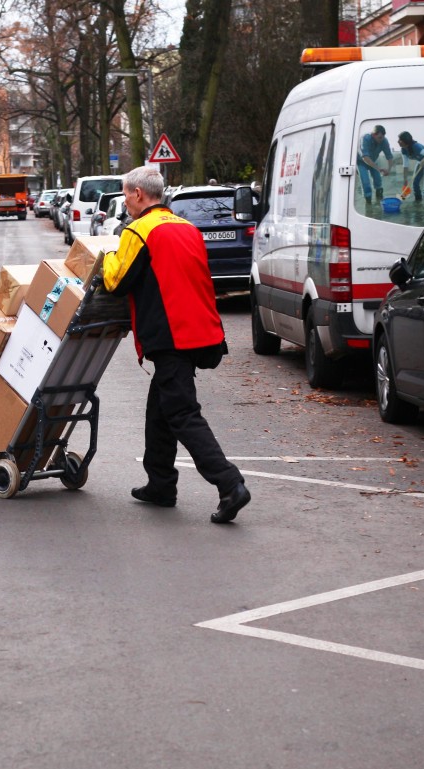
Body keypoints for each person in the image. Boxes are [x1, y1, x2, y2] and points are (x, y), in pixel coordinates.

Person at [101, 166, 251, 524]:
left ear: (139, 194)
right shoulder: (186, 227)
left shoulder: (139, 231)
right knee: (160, 408)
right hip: (202, 331)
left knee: (182, 413)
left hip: (172, 335)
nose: (125, 202)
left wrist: (104, 258)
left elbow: (116, 281)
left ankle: (230, 484)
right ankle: (161, 483)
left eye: (125, 195)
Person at [356, 124, 393, 204]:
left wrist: (389, 170)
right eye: (379, 137)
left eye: (383, 137)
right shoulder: (365, 139)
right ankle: (368, 204)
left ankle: (379, 202)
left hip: (374, 160)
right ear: (373, 135)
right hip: (361, 162)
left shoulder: (384, 141)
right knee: (366, 182)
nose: (381, 139)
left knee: (378, 181)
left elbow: (389, 156)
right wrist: (379, 169)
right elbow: (365, 157)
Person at [397, 131, 424, 205]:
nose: (398, 141)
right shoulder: (403, 149)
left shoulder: (416, 147)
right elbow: (405, 165)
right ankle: (418, 201)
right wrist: (405, 180)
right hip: (420, 161)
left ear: (405, 141)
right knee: (415, 182)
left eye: (400, 140)